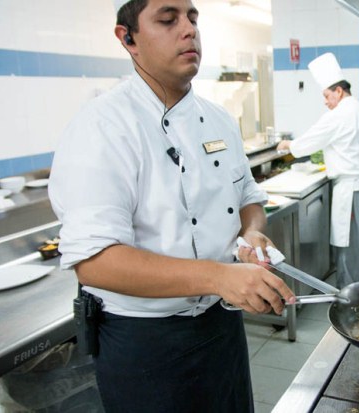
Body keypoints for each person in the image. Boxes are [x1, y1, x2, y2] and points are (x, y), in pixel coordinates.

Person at [48, 0, 295, 411]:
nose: (189, 30)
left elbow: (248, 198)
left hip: (222, 328)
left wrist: (251, 233)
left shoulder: (218, 119)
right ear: (127, 38)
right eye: (168, 19)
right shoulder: (102, 126)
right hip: (146, 343)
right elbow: (94, 261)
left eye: (193, 18)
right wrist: (219, 276)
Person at [277, 53, 359, 289]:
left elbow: (308, 141)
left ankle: (349, 302)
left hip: (351, 190)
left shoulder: (339, 115)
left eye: (326, 95)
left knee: (349, 251)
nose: (325, 101)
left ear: (339, 92)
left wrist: (287, 145)